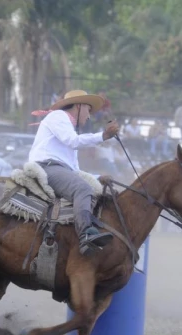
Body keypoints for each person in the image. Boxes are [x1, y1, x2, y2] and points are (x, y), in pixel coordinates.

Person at [28, 89, 119, 256]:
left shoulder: (67, 127)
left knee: (87, 187)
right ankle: (85, 234)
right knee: (83, 189)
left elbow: (75, 171)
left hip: (57, 169)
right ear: (79, 106)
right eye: (88, 110)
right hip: (47, 167)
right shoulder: (58, 116)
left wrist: (98, 178)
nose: (89, 116)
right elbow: (73, 142)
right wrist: (103, 135)